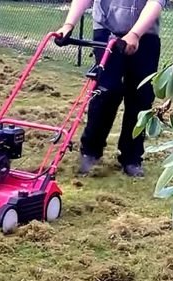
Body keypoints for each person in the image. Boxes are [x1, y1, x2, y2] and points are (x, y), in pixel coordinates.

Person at [57, 0, 164, 177]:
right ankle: (90, 151)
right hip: (107, 31)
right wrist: (68, 24)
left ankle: (132, 158)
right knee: (106, 90)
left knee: (141, 97)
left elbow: (156, 2)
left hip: (146, 35)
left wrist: (135, 34)